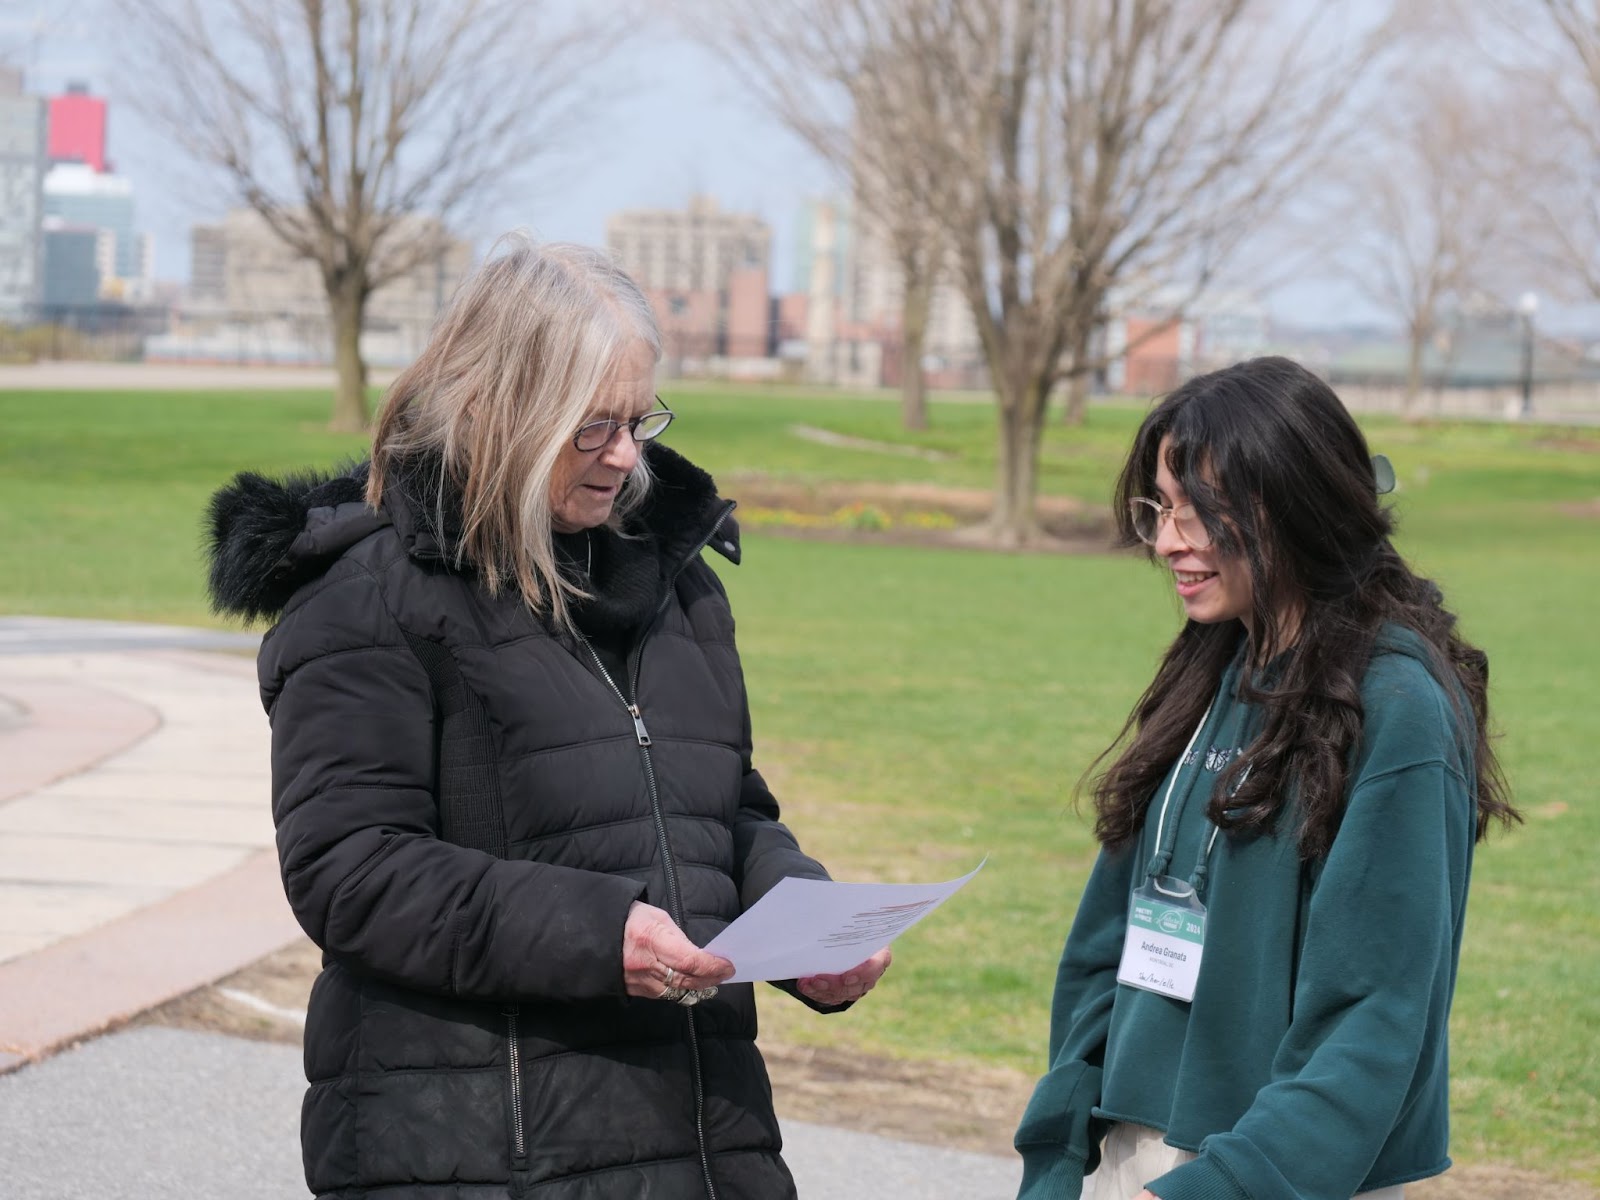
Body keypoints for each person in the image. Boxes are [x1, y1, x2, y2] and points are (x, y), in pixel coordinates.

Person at [205, 237, 890, 1200]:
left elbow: (722, 807)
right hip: (476, 1152)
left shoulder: (680, 587)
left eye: (638, 418)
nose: (626, 455)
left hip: (705, 1140)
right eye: (591, 426)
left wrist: (807, 921)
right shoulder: (367, 597)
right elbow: (352, 871)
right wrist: (596, 932)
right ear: (494, 407)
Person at [1013, 357, 1517, 1200]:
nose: (1169, 540)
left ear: (1292, 505)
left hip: (1272, 1176)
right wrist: (1064, 1152)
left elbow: (1374, 1019)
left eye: (1199, 514)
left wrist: (1220, 1184)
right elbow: (1107, 944)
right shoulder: (1210, 668)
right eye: (1161, 509)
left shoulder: (1396, 707)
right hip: (1129, 1157)